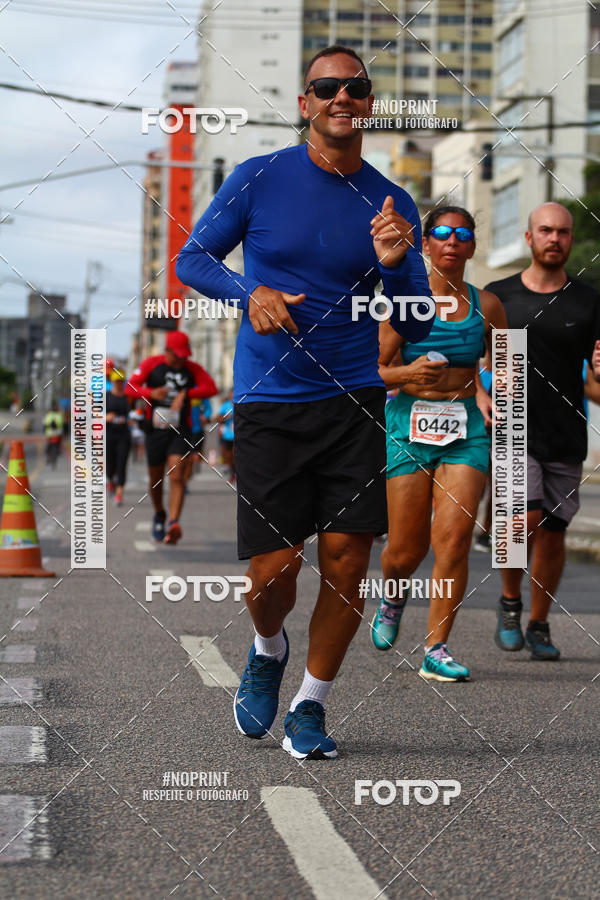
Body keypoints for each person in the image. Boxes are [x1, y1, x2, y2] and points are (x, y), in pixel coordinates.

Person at [176, 45, 433, 759]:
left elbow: (413, 325)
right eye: (327, 87)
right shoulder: (259, 178)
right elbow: (191, 260)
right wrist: (247, 292)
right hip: (270, 400)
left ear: (369, 103)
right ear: (304, 102)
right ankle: (267, 646)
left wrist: (399, 263)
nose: (341, 98)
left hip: (354, 400)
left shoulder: (390, 201)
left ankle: (312, 705)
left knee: (349, 559)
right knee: (274, 570)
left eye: (355, 87)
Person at [371, 207, 507, 682]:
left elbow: (505, 364)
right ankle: (392, 595)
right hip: (408, 425)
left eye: (462, 234)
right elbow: (371, 371)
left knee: (453, 540)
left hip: (465, 430)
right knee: (404, 551)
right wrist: (407, 374)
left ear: (471, 246)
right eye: (442, 234)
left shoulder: (488, 305)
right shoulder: (403, 304)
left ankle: (437, 647)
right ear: (426, 244)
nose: (452, 241)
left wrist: (490, 392)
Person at [487, 202, 600, 660]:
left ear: (571, 240)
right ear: (529, 238)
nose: (555, 238)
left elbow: (595, 384)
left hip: (567, 430)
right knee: (521, 522)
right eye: (546, 231)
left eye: (564, 232)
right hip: (513, 424)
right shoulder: (499, 296)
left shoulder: (588, 300)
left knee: (554, 532)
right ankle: (510, 602)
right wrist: (479, 394)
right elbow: (477, 359)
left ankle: (538, 622)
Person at [125, 330, 218, 544]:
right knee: (155, 479)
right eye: (178, 356)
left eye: (185, 356)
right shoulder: (152, 364)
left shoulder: (191, 369)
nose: (182, 360)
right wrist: (150, 393)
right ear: (167, 351)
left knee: (177, 476)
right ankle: (160, 513)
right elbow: (130, 387)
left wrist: (186, 394)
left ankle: (173, 523)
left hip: (180, 430)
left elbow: (210, 387)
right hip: (155, 431)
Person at [106, 369, 131, 506]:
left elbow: (136, 412)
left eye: (121, 381)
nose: (119, 384)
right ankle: (111, 480)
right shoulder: (106, 396)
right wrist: (106, 417)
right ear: (112, 381)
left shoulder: (128, 397)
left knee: (122, 464)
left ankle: (119, 494)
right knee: (110, 465)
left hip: (124, 435)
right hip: (109, 434)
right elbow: (94, 414)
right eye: (116, 381)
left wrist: (131, 419)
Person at [183, 397, 212, 489]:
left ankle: (185, 482)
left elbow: (208, 408)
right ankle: (180, 479)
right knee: (180, 457)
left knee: (191, 457)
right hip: (181, 429)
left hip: (196, 430)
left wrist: (205, 416)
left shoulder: (199, 392)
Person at [217, 390, 235, 483]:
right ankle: (232, 473)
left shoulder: (241, 404)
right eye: (231, 396)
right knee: (228, 456)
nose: (232, 398)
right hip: (227, 434)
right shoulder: (225, 406)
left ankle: (237, 473)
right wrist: (225, 417)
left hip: (238, 435)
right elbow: (218, 418)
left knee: (234, 454)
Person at [43, 402, 64, 468]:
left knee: (48, 445)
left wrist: (44, 430)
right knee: (59, 443)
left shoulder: (48, 415)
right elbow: (63, 425)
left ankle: (48, 456)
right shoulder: (59, 415)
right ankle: (59, 450)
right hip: (58, 433)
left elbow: (44, 425)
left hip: (50, 434)